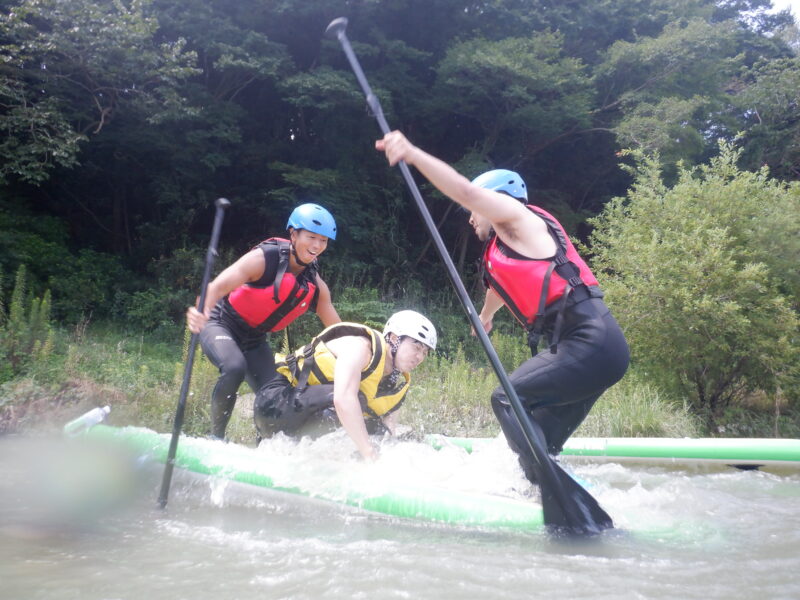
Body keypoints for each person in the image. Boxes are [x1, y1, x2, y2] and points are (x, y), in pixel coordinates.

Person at [375, 131, 629, 486]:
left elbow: (465, 191)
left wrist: (413, 154)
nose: (470, 218)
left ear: (493, 202)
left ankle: (556, 494)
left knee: (507, 399)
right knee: (540, 439)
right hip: (594, 349)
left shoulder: (515, 216)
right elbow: (498, 286)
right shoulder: (512, 241)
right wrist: (486, 315)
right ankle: (543, 497)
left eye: (473, 212)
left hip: (591, 340)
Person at [187, 203, 341, 439]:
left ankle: (267, 445)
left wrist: (361, 350)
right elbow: (216, 288)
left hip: (254, 339)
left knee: (277, 396)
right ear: (293, 233)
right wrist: (202, 309)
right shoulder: (264, 258)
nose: (317, 246)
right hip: (221, 321)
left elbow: (338, 330)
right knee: (233, 367)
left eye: (323, 241)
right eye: (311, 237)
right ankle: (215, 438)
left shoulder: (314, 283)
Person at [253, 310, 436, 460]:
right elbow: (343, 399)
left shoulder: (397, 383)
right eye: (416, 347)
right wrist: (369, 453)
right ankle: (295, 457)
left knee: (380, 432)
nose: (419, 357)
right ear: (395, 339)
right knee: (355, 401)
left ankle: (328, 463)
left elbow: (389, 430)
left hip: (308, 413)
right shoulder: (361, 348)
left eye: (425, 352)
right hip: (275, 404)